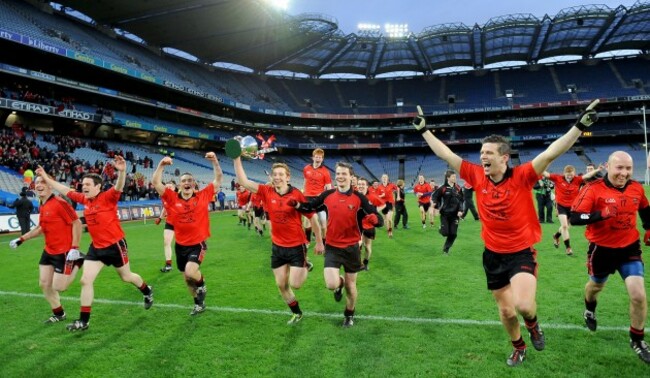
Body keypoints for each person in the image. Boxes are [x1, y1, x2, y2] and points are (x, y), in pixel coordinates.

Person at [412, 99, 599, 366]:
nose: (482, 156)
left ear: (504, 157)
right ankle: (518, 346)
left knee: (523, 306)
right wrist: (424, 131)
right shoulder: (476, 175)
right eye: (481, 152)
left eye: (488, 152)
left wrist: (579, 126)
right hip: (493, 255)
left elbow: (549, 154)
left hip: (521, 252)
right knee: (506, 310)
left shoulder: (522, 176)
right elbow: (446, 155)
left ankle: (533, 325)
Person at [35, 155, 153, 332]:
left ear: (98, 187)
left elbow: (119, 186)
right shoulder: (84, 200)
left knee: (126, 277)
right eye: (83, 184)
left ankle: (146, 290)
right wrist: (45, 176)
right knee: (85, 281)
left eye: (88, 184)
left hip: (115, 246)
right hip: (96, 248)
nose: (84, 187)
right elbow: (65, 189)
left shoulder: (108, 197)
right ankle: (84, 321)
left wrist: (122, 171)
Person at [570, 151, 650, 363]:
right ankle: (589, 309)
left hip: (629, 249)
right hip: (601, 250)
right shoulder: (592, 189)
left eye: (628, 168)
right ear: (608, 167)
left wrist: (649, 228)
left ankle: (637, 339)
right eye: (619, 168)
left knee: (638, 295)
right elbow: (575, 217)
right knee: (595, 287)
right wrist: (600, 214)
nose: (624, 173)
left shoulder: (636, 188)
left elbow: (645, 209)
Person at [233, 156, 324, 324]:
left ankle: (305, 263)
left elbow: (313, 218)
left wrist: (319, 242)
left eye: (281, 174)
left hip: (297, 246)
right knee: (282, 285)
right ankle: (297, 313)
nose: (277, 177)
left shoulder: (297, 194)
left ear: (287, 177)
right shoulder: (267, 192)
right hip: (278, 247)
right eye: (275, 174)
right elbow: (244, 181)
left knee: (295, 284)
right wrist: (236, 158)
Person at [292, 162, 383, 327]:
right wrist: (297, 205)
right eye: (338, 173)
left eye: (344, 174)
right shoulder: (327, 195)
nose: (340, 176)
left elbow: (378, 219)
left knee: (351, 286)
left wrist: (375, 219)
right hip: (332, 247)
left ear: (350, 177)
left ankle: (349, 314)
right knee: (331, 284)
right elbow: (310, 205)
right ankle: (338, 285)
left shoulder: (359, 198)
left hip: (352, 248)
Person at [152, 152, 223, 316]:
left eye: (189, 180)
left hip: (197, 244)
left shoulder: (203, 195)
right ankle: (199, 304)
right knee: (187, 280)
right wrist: (161, 165)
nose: (186, 183)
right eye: (183, 181)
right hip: (180, 246)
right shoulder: (171, 198)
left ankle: (202, 284)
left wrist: (215, 161)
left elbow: (218, 179)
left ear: (194, 184)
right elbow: (156, 182)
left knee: (192, 272)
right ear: (179, 184)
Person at [9, 175, 83, 323]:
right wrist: (21, 239)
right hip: (49, 250)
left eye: (43, 182)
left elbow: (77, 223)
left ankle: (79, 260)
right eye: (36, 183)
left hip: (64, 251)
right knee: (44, 284)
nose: (39, 185)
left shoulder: (60, 203)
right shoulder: (42, 204)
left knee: (60, 287)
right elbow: (41, 228)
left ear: (50, 185)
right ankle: (59, 314)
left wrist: (75, 247)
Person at [544, 165, 600, 255]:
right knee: (565, 226)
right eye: (567, 175)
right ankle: (568, 248)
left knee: (566, 227)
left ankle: (556, 236)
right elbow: (546, 174)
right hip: (561, 206)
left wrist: (598, 170)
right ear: (564, 173)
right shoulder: (558, 178)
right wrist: (537, 166)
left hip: (573, 207)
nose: (569, 177)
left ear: (574, 174)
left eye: (571, 175)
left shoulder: (577, 179)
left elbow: (587, 176)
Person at [431, 170, 465, 254]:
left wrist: (461, 210)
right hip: (445, 214)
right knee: (445, 233)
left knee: (453, 234)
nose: (455, 178)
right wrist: (435, 207)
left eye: (455, 176)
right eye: (453, 177)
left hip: (455, 215)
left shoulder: (458, 188)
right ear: (448, 178)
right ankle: (441, 229)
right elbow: (435, 197)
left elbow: (461, 200)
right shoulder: (442, 188)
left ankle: (446, 250)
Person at [303, 148, 332, 241]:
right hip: (307, 197)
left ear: (322, 159)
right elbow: (305, 181)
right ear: (313, 157)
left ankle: (324, 241)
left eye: (320, 157)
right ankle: (307, 241)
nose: (318, 159)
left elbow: (328, 187)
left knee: (323, 224)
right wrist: (303, 193)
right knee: (307, 221)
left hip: (319, 199)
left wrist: (326, 198)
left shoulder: (325, 172)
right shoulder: (306, 168)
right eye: (316, 157)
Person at [356, 177, 385, 271]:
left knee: (367, 248)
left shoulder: (372, 196)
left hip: (369, 225)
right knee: (357, 243)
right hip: (357, 224)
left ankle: (366, 262)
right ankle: (358, 263)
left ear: (367, 186)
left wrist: (374, 212)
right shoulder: (354, 195)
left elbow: (383, 204)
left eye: (362, 184)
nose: (360, 186)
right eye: (359, 184)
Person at [157, 180, 177, 273]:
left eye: (170, 187)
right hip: (169, 222)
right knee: (166, 242)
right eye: (167, 187)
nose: (168, 189)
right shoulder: (163, 197)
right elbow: (165, 207)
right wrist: (160, 218)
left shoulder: (179, 196)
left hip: (182, 223)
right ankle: (168, 265)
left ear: (174, 188)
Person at [376, 174, 397, 238]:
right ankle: (388, 230)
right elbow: (377, 196)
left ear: (387, 179)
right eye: (383, 177)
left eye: (385, 177)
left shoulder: (391, 185)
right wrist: (381, 196)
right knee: (385, 219)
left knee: (389, 219)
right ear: (381, 179)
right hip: (383, 204)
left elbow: (397, 189)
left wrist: (397, 196)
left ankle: (390, 231)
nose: (384, 178)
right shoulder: (379, 187)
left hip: (390, 204)